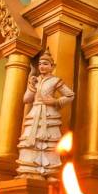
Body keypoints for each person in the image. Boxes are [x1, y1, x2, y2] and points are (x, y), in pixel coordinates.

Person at [16, 48, 74, 180]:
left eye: (46, 64)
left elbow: (70, 95)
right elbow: (26, 100)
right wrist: (31, 86)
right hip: (35, 113)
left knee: (49, 142)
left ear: (52, 67)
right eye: (40, 64)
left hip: (49, 115)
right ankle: (29, 170)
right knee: (30, 141)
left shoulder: (55, 80)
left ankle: (50, 172)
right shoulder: (36, 81)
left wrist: (55, 101)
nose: (42, 66)